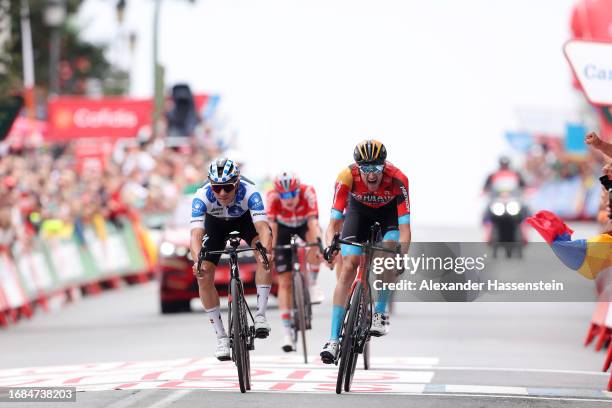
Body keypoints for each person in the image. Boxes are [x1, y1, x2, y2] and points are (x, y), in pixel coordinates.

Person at [320, 140, 411, 363]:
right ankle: (333, 339)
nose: (372, 175)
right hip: (358, 213)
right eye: (366, 169)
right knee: (349, 265)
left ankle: (380, 312)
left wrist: (401, 256)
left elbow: (406, 229)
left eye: (376, 169)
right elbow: (333, 222)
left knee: (387, 254)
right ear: (358, 168)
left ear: (384, 166)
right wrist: (330, 244)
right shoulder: (346, 177)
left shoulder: (399, 179)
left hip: (388, 216)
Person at [190, 158, 273, 361]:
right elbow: (195, 235)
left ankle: (260, 315)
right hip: (215, 225)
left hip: (245, 220)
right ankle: (221, 337)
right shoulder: (201, 196)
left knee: (263, 256)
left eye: (227, 187)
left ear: (236, 183)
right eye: (217, 188)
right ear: (210, 185)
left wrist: (266, 252)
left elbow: (263, 228)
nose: (223, 193)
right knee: (203, 275)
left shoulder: (250, 192)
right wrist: (197, 261)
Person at [267, 172, 324, 352]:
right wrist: (272, 251)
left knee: (314, 242)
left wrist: (318, 245)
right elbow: (272, 227)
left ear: (298, 191)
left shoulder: (308, 193)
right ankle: (286, 332)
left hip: (303, 225)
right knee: (284, 281)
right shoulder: (272, 197)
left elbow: (313, 223)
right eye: (284, 195)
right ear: (278, 194)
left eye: (292, 194)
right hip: (282, 229)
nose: (288, 199)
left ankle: (313, 284)